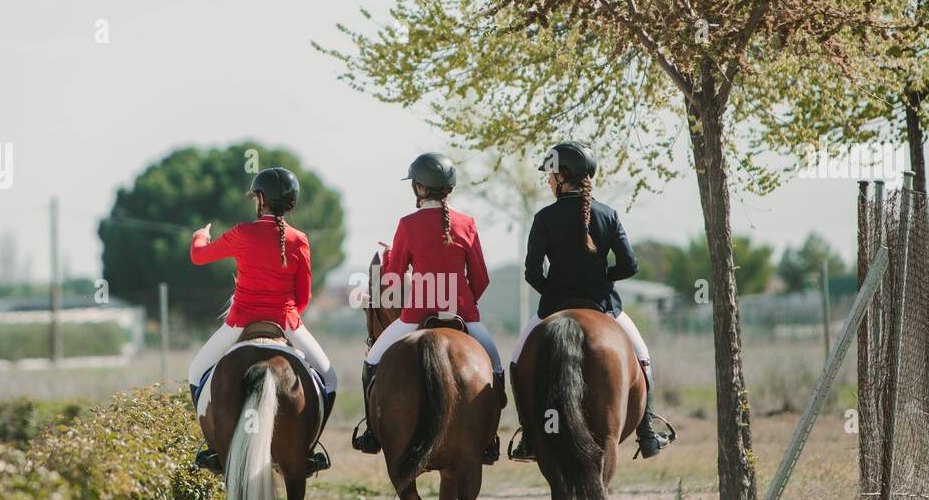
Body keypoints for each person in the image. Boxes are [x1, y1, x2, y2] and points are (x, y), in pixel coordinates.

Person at [508, 140, 671, 460]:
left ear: (562, 176)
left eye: (550, 175)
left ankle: (529, 435)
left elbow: (531, 272)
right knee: (643, 358)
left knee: (516, 361)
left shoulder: (544, 218)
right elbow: (630, 265)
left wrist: (555, 291)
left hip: (554, 307)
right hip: (605, 307)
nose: (548, 181)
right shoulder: (608, 214)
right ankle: (647, 431)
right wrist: (601, 280)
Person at [351, 152, 504, 464]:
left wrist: (395, 258)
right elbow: (481, 279)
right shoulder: (467, 223)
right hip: (465, 316)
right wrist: (463, 303)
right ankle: (489, 437)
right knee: (497, 370)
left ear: (419, 188)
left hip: (415, 317)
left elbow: (391, 281)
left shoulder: (407, 224)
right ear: (449, 188)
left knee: (373, 362)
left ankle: (371, 431)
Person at [188, 166, 337, 471]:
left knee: (195, 374)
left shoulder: (243, 232)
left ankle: (215, 448)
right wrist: (289, 318)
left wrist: (200, 235)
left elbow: (199, 256)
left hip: (240, 321)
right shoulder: (299, 239)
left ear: (260, 198)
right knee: (329, 379)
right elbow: (304, 295)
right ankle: (308, 449)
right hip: (286, 322)